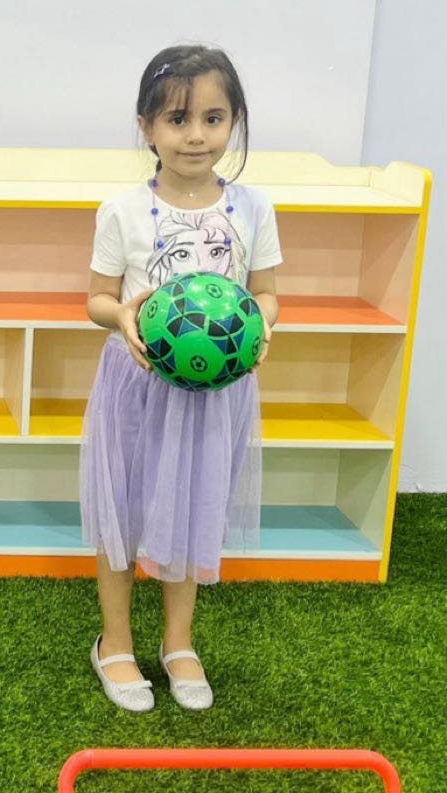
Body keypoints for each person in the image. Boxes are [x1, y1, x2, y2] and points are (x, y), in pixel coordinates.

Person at [81, 45, 282, 711]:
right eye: (177, 119)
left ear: (234, 123)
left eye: (213, 119)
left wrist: (258, 327)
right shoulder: (121, 210)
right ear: (146, 127)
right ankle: (115, 642)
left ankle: (178, 642)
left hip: (215, 396)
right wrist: (122, 316)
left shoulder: (252, 208)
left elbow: (267, 294)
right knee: (123, 511)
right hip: (137, 385)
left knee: (193, 508)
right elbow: (97, 299)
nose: (196, 135)